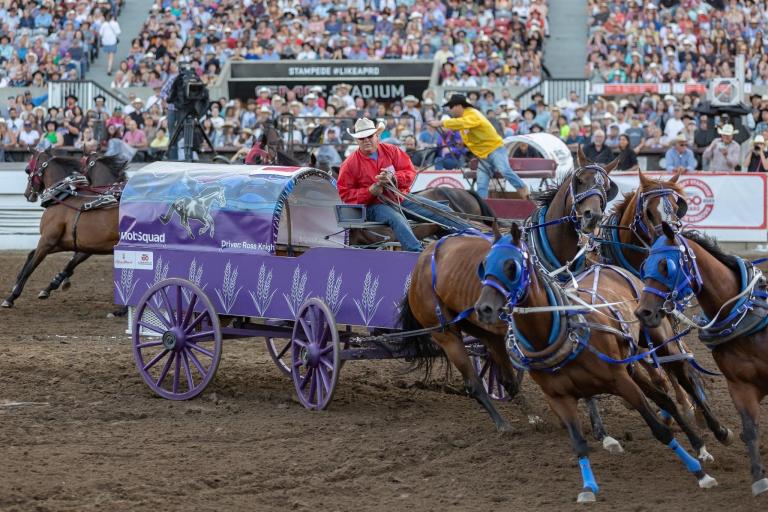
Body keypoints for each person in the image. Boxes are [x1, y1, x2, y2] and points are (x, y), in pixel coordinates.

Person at [337, 118, 472, 252]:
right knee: (397, 219)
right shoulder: (349, 164)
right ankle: (416, 253)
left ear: (376, 136)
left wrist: (394, 178)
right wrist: (370, 191)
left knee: (442, 210)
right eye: (362, 138)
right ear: (357, 141)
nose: (366, 140)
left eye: (369, 136)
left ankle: (474, 235)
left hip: (398, 198)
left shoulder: (392, 150)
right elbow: (345, 194)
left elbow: (410, 171)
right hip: (373, 206)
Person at [430, 95, 529, 199]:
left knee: (504, 170)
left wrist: (441, 123)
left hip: (495, 149)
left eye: (451, 107)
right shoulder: (464, 118)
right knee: (481, 184)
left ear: (458, 106)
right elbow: (469, 134)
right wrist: (462, 143)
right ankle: (483, 208)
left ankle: (523, 189)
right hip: (483, 155)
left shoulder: (472, 114)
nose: (450, 110)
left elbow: (463, 123)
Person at [99, 12, 121, 76]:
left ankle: (109, 66)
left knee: (109, 54)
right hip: (112, 41)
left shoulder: (104, 24)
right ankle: (109, 68)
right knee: (112, 55)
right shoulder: (115, 23)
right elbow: (119, 32)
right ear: (112, 17)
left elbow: (100, 33)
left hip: (105, 41)